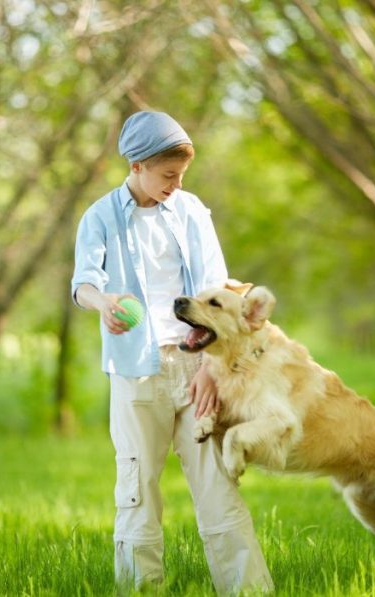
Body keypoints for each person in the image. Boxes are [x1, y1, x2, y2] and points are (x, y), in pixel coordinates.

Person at [71, 111, 274, 594]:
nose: (175, 185)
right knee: (137, 492)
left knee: (218, 489)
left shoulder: (191, 211)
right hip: (136, 372)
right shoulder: (99, 217)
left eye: (181, 176)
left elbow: (217, 292)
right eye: (168, 176)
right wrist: (104, 304)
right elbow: (83, 283)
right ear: (137, 164)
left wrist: (211, 367)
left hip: (195, 367)